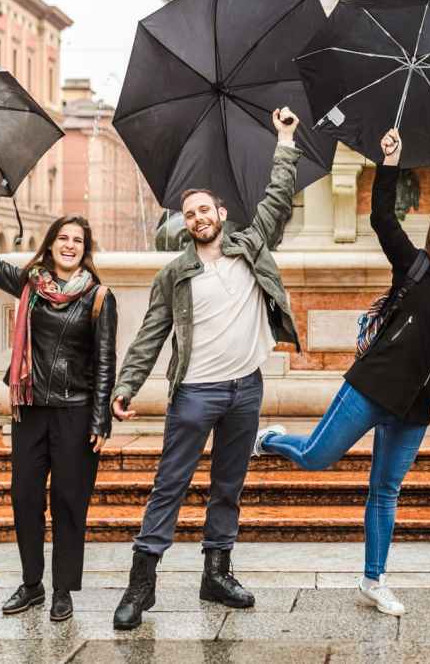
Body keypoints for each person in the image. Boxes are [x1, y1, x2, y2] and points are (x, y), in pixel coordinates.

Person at [258, 127, 430, 618]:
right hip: (372, 382)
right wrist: (391, 161)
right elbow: (382, 216)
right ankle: (273, 439)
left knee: (385, 490)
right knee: (317, 457)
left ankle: (373, 579)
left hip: (416, 406)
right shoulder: (416, 265)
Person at [109, 108, 303, 631]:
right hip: (195, 393)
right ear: (184, 224)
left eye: (204, 210)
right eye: (189, 214)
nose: (198, 219)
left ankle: (216, 574)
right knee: (169, 486)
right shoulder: (175, 274)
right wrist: (128, 383)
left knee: (228, 486)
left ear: (221, 211)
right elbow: (151, 334)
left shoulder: (249, 247)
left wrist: (285, 139)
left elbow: (278, 197)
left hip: (246, 389)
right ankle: (140, 587)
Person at [0, 183, 116, 623]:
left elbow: (104, 363)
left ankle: (63, 589)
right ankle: (32, 584)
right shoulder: (30, 284)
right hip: (29, 409)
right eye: (63, 237)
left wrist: (101, 420)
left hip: (76, 412)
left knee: (68, 499)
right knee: (24, 497)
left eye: (77, 241)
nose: (69, 245)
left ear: (86, 251)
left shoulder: (99, 297)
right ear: (50, 244)